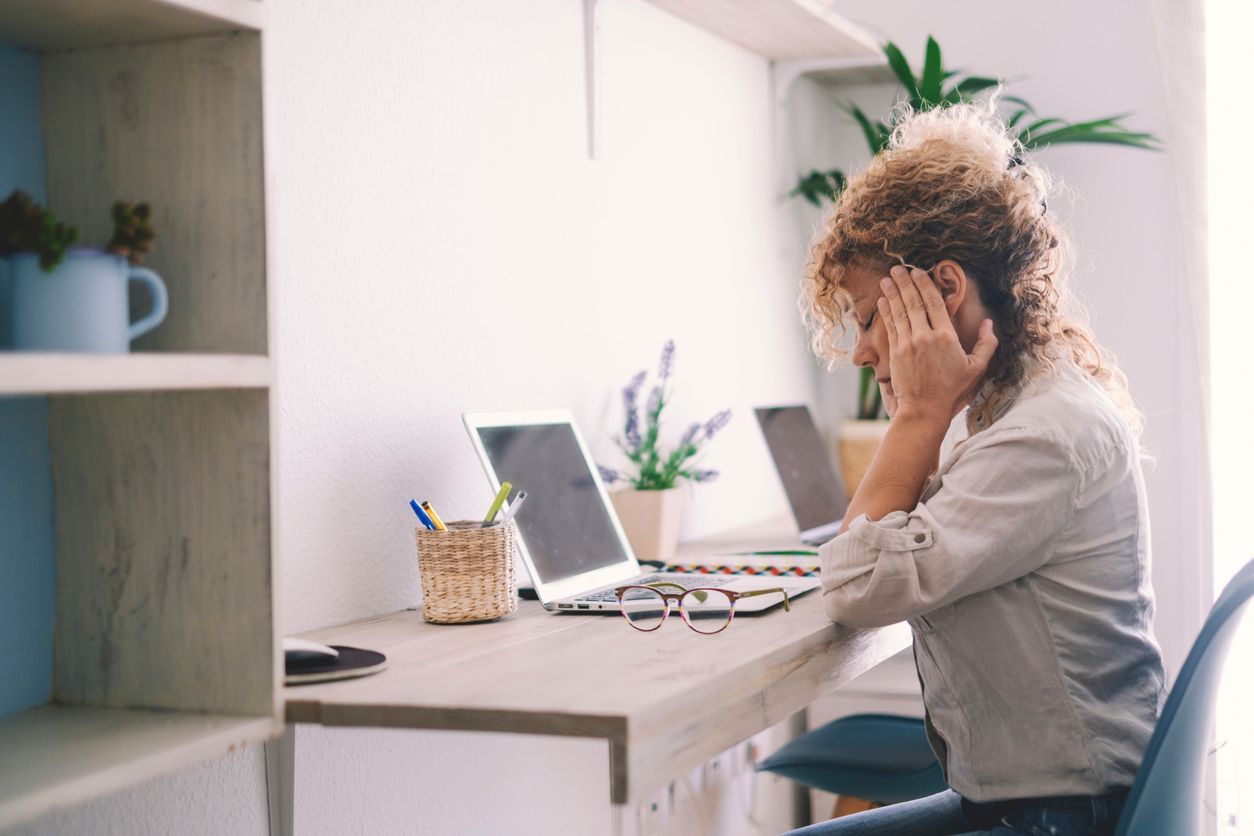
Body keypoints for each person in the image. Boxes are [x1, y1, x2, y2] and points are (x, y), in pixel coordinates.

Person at [788, 99, 1166, 836]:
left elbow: (859, 585)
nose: (862, 352)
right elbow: (884, 544)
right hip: (1036, 801)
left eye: (869, 318)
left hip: (1058, 818)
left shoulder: (1043, 434)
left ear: (947, 291)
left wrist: (919, 415)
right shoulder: (1013, 408)